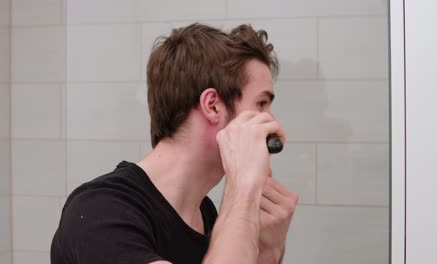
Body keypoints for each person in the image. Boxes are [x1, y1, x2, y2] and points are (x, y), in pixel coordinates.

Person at [51, 23, 298, 264]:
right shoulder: (100, 212)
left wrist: (268, 254)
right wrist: (243, 189)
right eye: (262, 104)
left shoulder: (206, 217)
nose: (272, 124)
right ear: (212, 105)